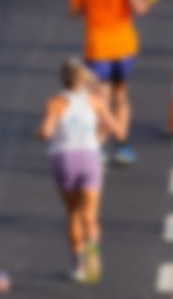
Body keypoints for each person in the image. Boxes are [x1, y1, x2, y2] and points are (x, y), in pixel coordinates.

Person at [68, 0, 164, 165]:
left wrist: (91, 7)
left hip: (97, 45)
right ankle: (122, 145)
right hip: (124, 45)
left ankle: (99, 147)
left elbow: (73, 10)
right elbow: (139, 8)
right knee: (121, 97)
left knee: (100, 100)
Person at [37, 59, 124, 282]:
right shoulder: (94, 101)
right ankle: (94, 260)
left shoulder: (55, 102)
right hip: (89, 157)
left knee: (73, 214)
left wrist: (39, 132)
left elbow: (46, 132)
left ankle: (78, 265)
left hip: (64, 158)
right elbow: (118, 131)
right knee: (91, 216)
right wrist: (99, 136)